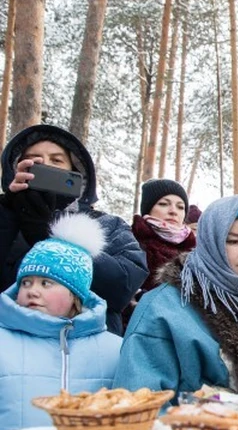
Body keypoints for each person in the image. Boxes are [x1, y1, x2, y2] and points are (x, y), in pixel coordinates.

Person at [113, 195, 238, 396]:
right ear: (210, 240)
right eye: (233, 241)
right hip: (195, 426)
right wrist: (229, 408)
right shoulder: (163, 307)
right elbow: (141, 401)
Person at [0, 124, 148, 335]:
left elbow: (121, 288)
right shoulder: (5, 214)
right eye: (36, 160)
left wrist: (50, 238)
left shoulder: (109, 225)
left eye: (57, 160)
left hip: (87, 353)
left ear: (74, 170)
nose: (47, 166)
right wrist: (8, 212)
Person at [0, 214, 122, 430]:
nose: (32, 291)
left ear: (75, 294)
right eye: (26, 282)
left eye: (46, 283)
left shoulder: (116, 350)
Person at [132, 179, 196, 292]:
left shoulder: (197, 252)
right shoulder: (131, 244)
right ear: (148, 209)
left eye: (180, 207)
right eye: (163, 204)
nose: (173, 211)